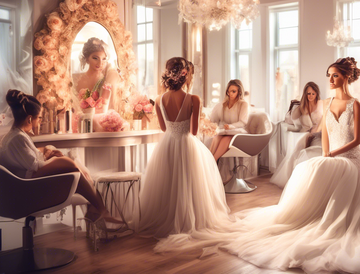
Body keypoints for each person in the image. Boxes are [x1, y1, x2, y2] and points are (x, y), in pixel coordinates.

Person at [154, 58, 360, 273]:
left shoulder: (355, 104)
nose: (330, 79)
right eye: (329, 75)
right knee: (309, 170)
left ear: (345, 77)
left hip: (353, 160)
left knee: (340, 186)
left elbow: (356, 139)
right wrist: (326, 154)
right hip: (332, 156)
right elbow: (329, 134)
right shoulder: (329, 104)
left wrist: (336, 155)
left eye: (334, 76)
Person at [136, 57, 231, 238]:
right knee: (188, 182)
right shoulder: (193, 99)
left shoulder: (158, 99)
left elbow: (164, 128)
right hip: (187, 144)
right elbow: (194, 131)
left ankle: (168, 219)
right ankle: (189, 220)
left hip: (168, 144)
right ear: (185, 75)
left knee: (168, 182)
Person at [0, 89, 121, 226]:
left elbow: (31, 159)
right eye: (39, 118)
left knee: (75, 169)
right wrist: (53, 158)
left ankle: (97, 210)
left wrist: (48, 153)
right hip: (28, 189)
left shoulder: (12, 136)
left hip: (24, 186)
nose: (39, 122)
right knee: (72, 166)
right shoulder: (18, 138)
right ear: (29, 119)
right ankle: (101, 211)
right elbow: (34, 165)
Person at [270, 81, 323, 188]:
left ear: (317, 94)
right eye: (308, 93)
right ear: (305, 94)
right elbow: (290, 119)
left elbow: (325, 120)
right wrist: (297, 106)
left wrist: (317, 129)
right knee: (297, 153)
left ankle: (313, 180)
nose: (311, 96)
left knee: (315, 152)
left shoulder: (321, 104)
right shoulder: (302, 107)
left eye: (313, 93)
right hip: (306, 135)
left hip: (320, 134)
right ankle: (296, 180)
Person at [73, 37, 120, 114]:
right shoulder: (75, 79)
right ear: (87, 58)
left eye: (104, 59)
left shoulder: (106, 80)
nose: (100, 63)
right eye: (95, 58)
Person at [208, 79, 249, 162]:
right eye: (229, 91)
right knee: (216, 137)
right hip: (226, 131)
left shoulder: (243, 104)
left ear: (239, 92)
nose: (230, 94)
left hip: (238, 133)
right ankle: (209, 160)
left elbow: (243, 122)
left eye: (233, 91)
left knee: (226, 139)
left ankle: (213, 161)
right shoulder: (224, 104)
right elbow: (215, 119)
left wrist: (230, 126)